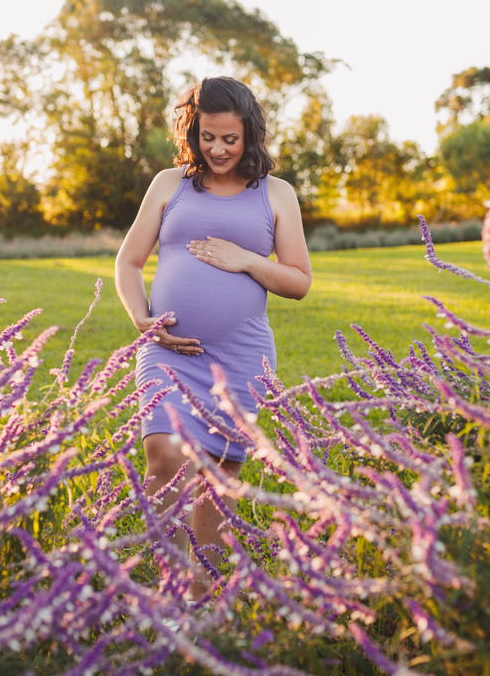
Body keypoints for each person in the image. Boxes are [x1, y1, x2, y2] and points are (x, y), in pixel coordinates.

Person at [114, 76, 312, 602]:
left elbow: (299, 281)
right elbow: (128, 262)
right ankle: (164, 592)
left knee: (215, 487)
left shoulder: (276, 193)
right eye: (208, 137)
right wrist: (142, 319)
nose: (219, 149)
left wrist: (245, 259)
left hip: (240, 359)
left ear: (250, 134)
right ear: (192, 131)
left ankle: (201, 603)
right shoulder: (169, 184)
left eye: (230, 138)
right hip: (168, 351)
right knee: (165, 456)